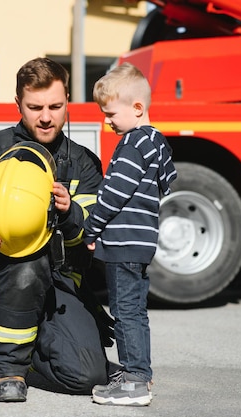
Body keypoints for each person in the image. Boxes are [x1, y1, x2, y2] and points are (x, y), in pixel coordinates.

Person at [0, 57, 106, 402]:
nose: (46, 117)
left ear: (67, 102)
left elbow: (93, 235)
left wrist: (70, 211)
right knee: (27, 257)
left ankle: (26, 355)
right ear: (18, 104)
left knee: (87, 375)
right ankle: (3, 370)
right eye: (35, 107)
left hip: (61, 280)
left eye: (56, 106)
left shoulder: (83, 162)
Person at [83, 62, 177, 406]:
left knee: (125, 312)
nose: (107, 120)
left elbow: (113, 194)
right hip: (141, 242)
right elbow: (168, 181)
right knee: (136, 310)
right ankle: (140, 372)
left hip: (122, 244)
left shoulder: (132, 144)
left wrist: (91, 227)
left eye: (110, 113)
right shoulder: (157, 144)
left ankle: (134, 382)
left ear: (137, 108)